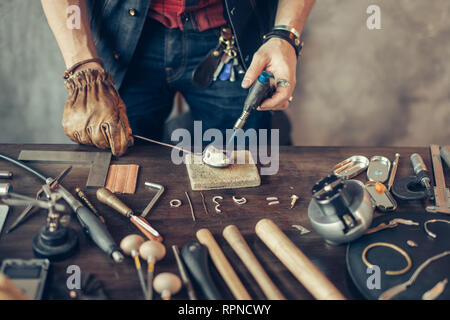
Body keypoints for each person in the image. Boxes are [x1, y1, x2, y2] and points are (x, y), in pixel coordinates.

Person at [41, 0, 315, 156]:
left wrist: (286, 34)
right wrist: (83, 68)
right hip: (123, 41)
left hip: (228, 39)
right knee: (115, 164)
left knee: (248, 162)